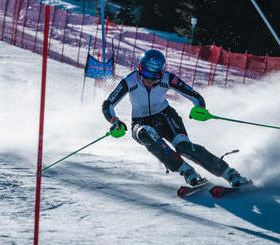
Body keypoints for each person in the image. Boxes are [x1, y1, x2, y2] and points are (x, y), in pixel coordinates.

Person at [102, 49, 250, 187]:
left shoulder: (168, 78)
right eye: (146, 75)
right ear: (140, 69)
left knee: (184, 147)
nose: (150, 80)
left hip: (165, 116)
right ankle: (187, 171)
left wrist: (200, 108)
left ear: (162, 72)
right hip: (140, 122)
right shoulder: (130, 81)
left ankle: (230, 174)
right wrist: (115, 121)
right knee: (145, 133)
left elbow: (195, 96)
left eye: (155, 77)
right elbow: (108, 104)